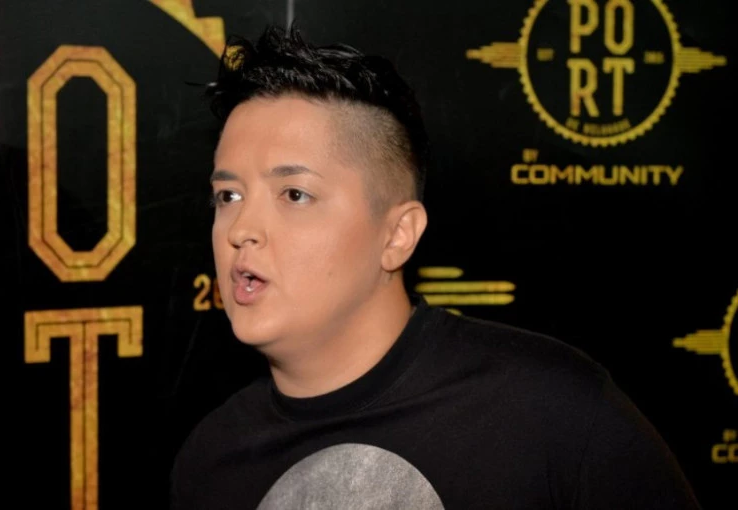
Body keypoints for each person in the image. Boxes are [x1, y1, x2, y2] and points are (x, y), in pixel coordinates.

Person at [169, 24, 701, 509]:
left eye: (294, 194)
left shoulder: (556, 413)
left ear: (398, 234)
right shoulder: (209, 460)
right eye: (228, 196)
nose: (240, 229)